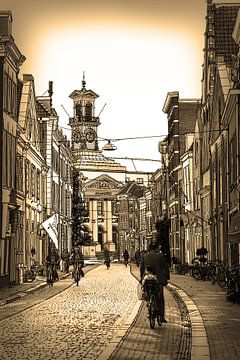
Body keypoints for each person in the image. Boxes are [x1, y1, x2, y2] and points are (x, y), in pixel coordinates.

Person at [140, 242, 170, 323]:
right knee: (160, 298)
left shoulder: (145, 256)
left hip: (147, 278)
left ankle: (149, 302)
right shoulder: (160, 255)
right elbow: (165, 266)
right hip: (158, 279)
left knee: (147, 292)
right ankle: (161, 316)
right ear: (157, 248)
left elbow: (142, 268)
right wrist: (167, 277)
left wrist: (141, 278)